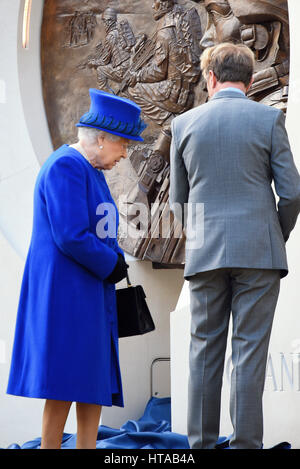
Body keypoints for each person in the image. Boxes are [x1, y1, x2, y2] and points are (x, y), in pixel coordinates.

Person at [169, 42, 300, 449]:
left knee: (203, 354)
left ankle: (201, 447)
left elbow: (178, 202)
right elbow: (292, 193)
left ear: (211, 77)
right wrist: (274, 234)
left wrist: (203, 238)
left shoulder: (184, 124)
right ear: (248, 79)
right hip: (259, 254)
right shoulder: (268, 119)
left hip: (206, 254)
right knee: (248, 356)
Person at [6, 89, 147, 449]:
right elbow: (70, 235)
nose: (125, 154)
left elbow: (96, 230)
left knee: (90, 383)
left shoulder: (90, 170)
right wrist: (111, 264)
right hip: (67, 295)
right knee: (64, 385)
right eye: (123, 145)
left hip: (85, 291)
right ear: (101, 139)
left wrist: (114, 260)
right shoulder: (66, 166)